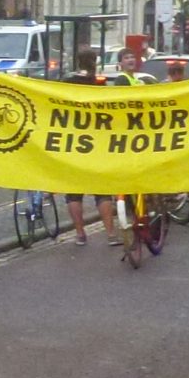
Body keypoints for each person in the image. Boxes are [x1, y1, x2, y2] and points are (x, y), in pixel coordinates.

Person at [64, 48, 118, 246]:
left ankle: (80, 234)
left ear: (77, 61)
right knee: (102, 191)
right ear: (94, 61)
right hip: (97, 141)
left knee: (73, 192)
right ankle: (111, 234)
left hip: (74, 141)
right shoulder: (100, 83)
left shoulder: (67, 81)